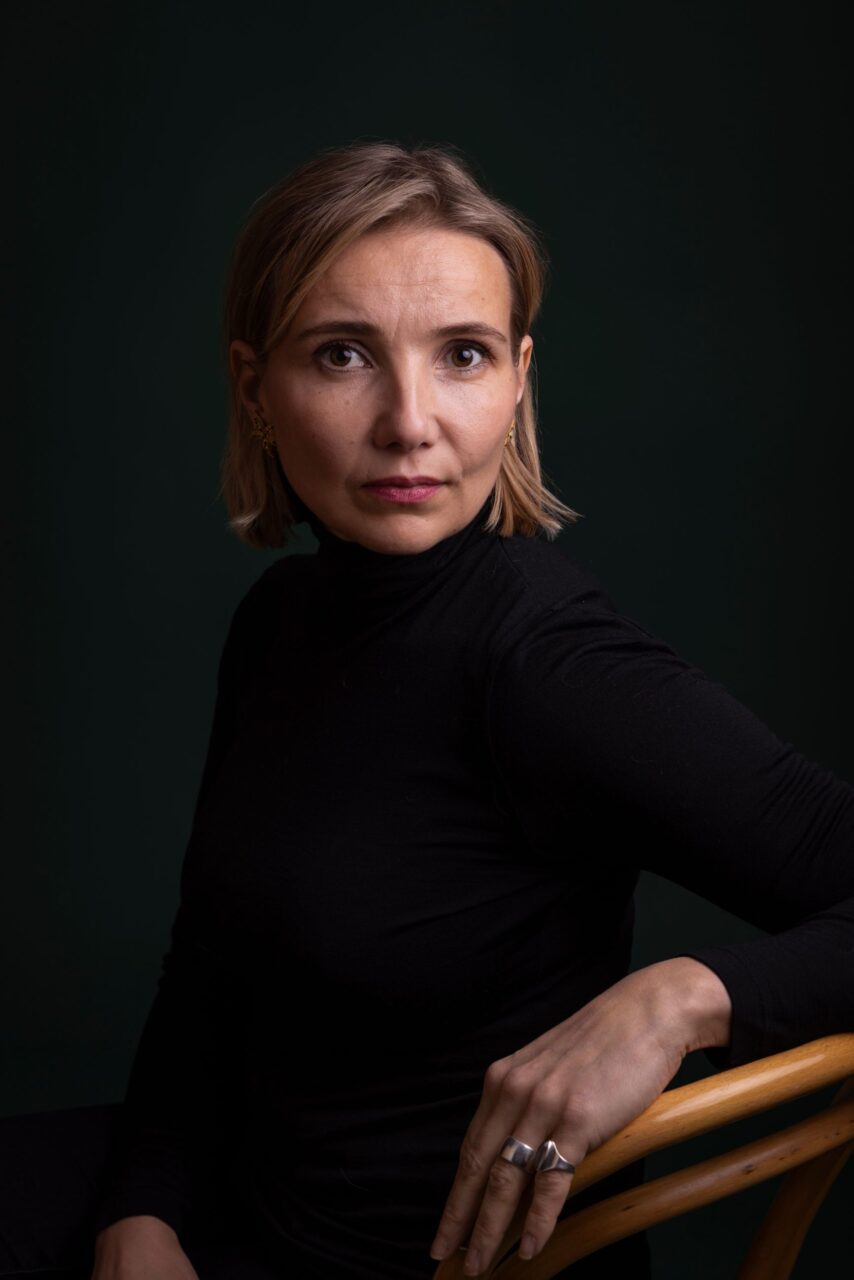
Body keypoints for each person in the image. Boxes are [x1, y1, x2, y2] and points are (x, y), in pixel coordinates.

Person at [2, 140, 852, 1280]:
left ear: (516, 379)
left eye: (462, 355)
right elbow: (209, 972)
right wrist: (141, 1214)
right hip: (242, 1197)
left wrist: (683, 998)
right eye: (342, 354)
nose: (408, 421)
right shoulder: (281, 618)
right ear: (254, 387)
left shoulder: (546, 657)